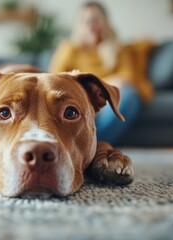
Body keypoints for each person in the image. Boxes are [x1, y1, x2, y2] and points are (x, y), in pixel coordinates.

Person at [49, 1, 155, 144]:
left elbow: (127, 78)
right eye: (86, 21)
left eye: (95, 20)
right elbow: (54, 79)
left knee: (130, 95)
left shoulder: (118, 48)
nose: (91, 25)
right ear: (79, 25)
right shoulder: (69, 48)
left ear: (105, 22)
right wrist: (101, 85)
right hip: (80, 98)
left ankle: (90, 144)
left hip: (111, 99)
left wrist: (104, 89)